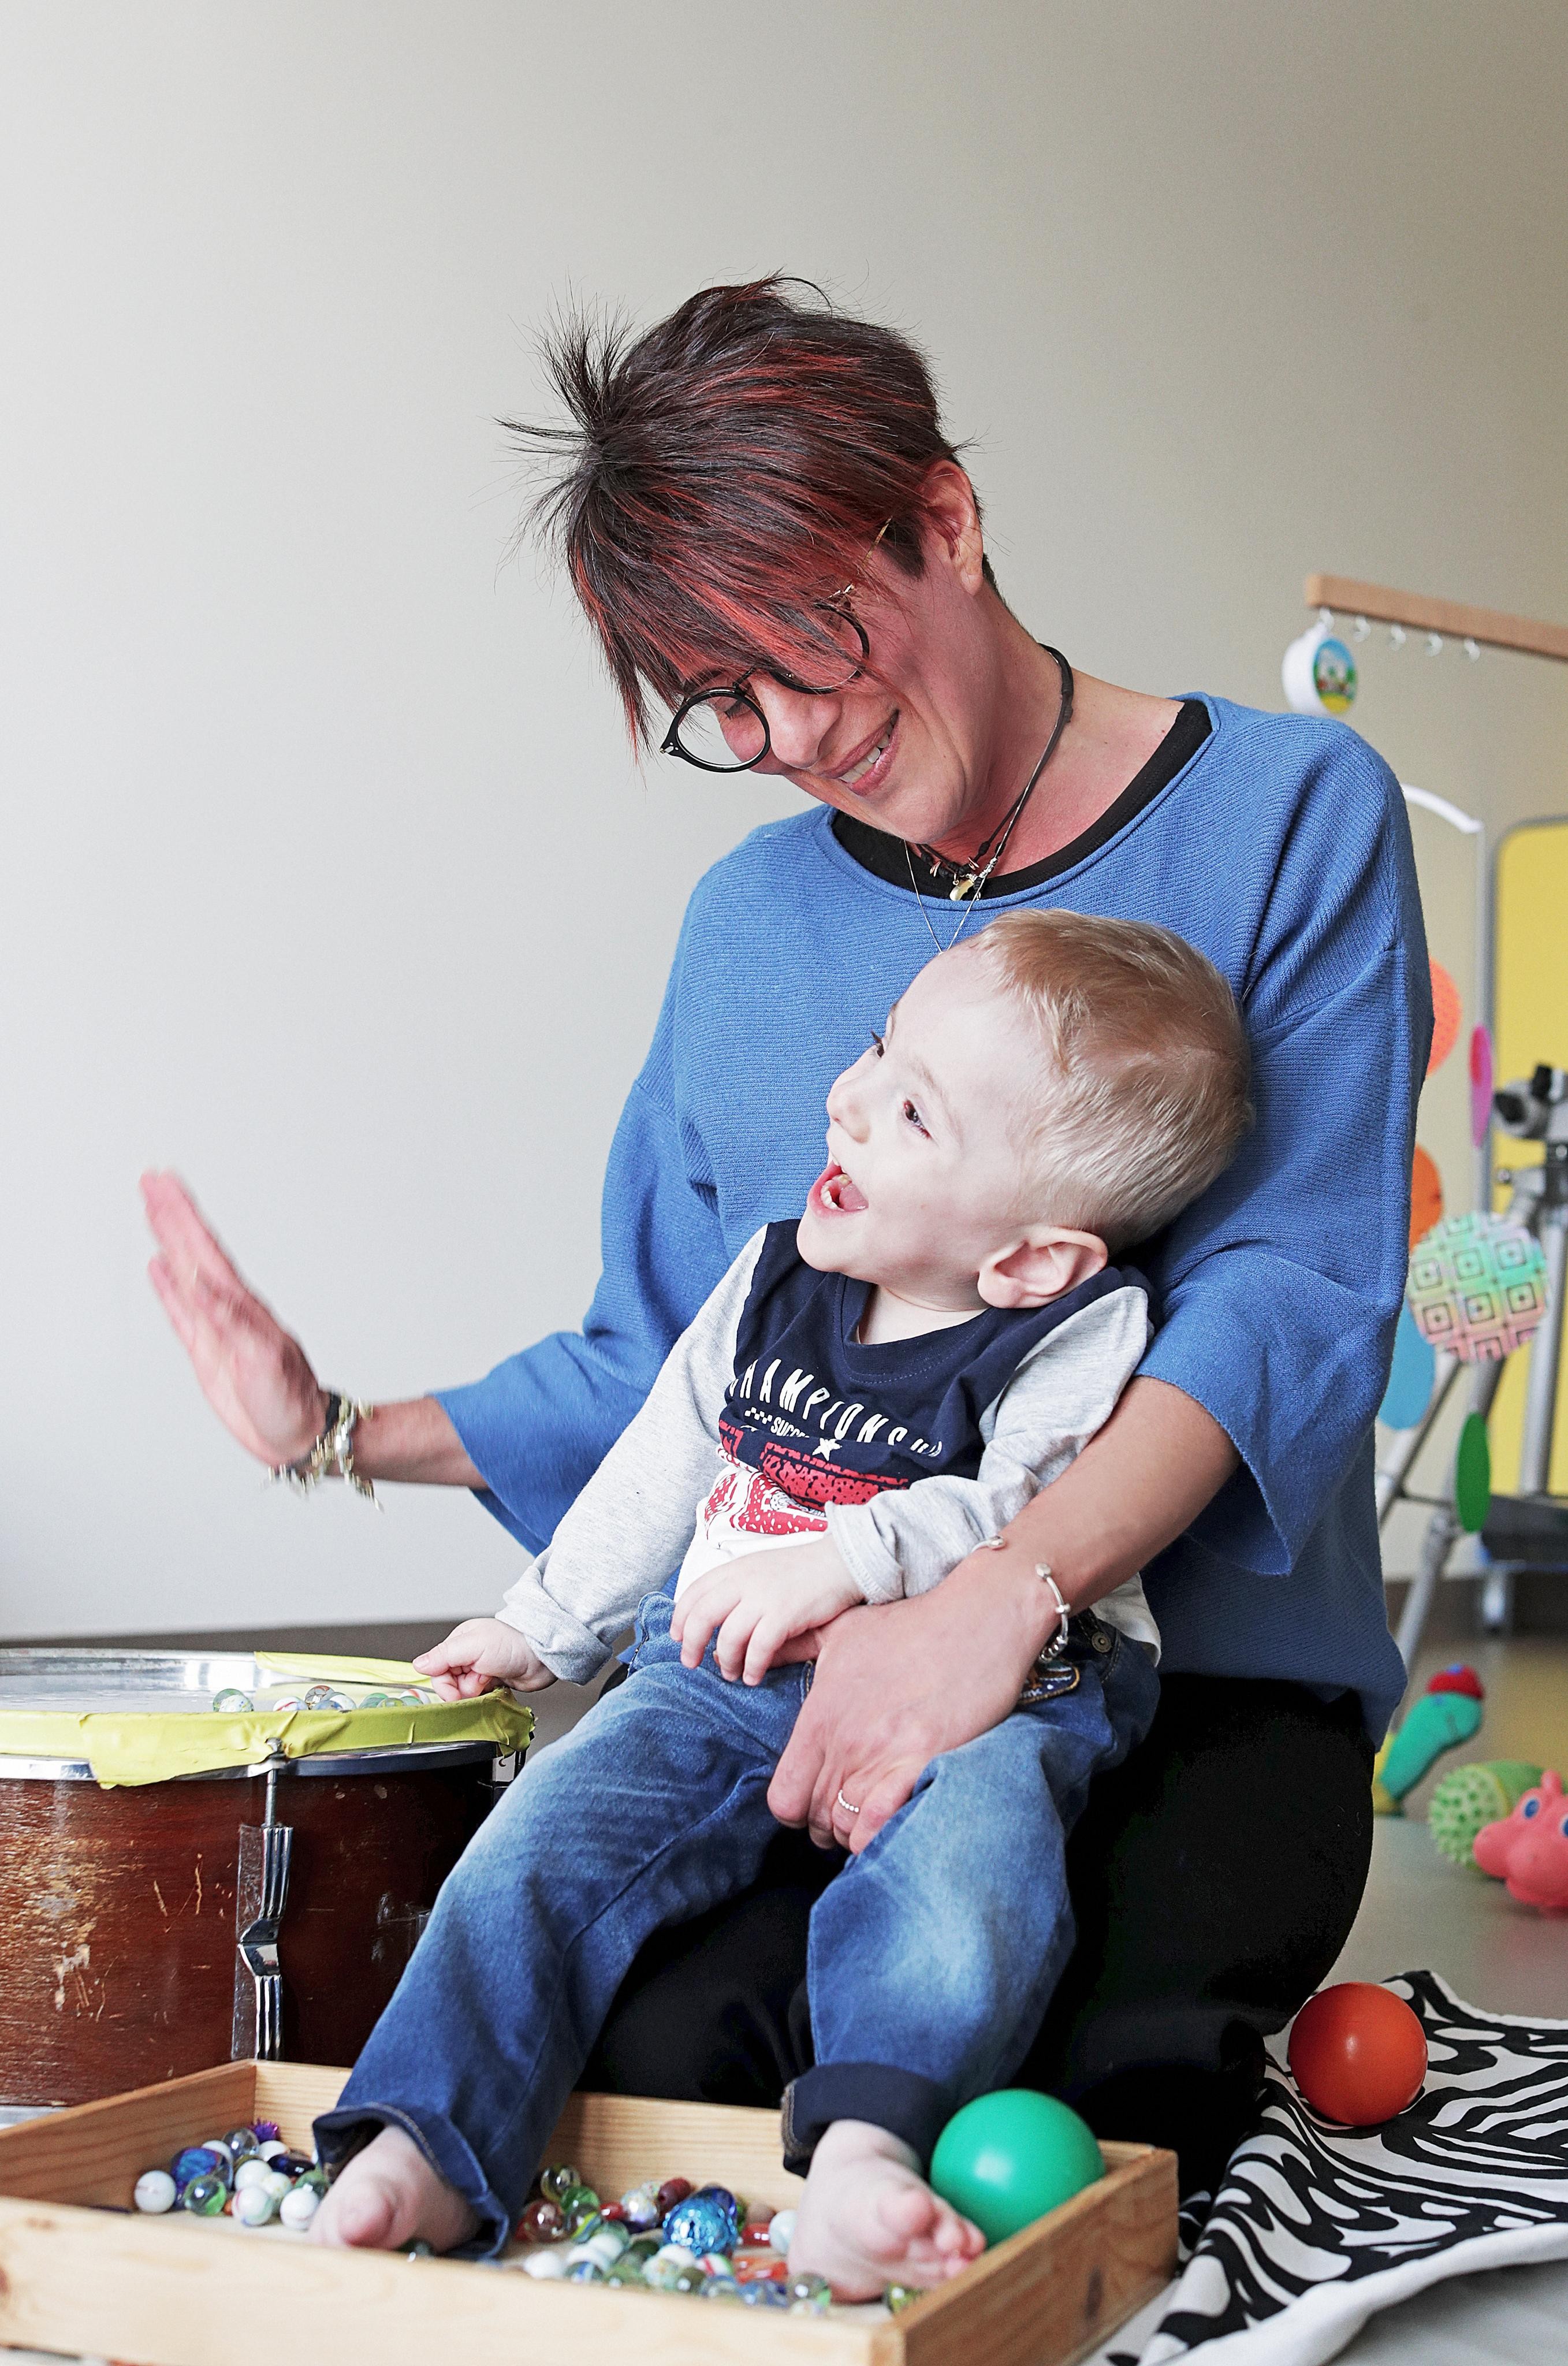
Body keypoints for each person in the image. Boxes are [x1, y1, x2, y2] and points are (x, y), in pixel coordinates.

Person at [142, 275, 1429, 2196]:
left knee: (1098, 2104)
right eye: (718, 702)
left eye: (805, 648)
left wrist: (992, 1601)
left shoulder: (1288, 813)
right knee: (668, 2071)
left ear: (945, 521)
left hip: (1182, 1682)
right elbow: (672, 1352)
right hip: (786, 1681)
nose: (786, 735)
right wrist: (329, 1429)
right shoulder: (751, 928)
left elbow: (1283, 1297)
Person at [308, 910, 1251, 2288]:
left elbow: (1019, 1509)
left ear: (1029, 1258)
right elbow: (661, 1459)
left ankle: (869, 2147)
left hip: (994, 1693)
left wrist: (846, 1557)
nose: (847, 1098)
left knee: (969, 1872)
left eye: (913, 1110)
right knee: (537, 1839)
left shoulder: (1075, 1324)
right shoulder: (772, 1275)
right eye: (877, 1050)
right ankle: (430, 2137)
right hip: (720, 1675)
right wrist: (542, 1623)